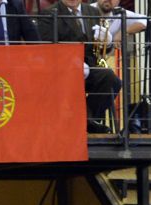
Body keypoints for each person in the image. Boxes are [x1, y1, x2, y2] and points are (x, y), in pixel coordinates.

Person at [37, 0, 123, 133]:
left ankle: (86, 120)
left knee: (112, 80)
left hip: (90, 65)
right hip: (63, 67)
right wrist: (70, 60)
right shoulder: (49, 13)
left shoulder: (92, 12)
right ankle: (83, 122)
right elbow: (46, 48)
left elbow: (100, 49)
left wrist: (108, 41)